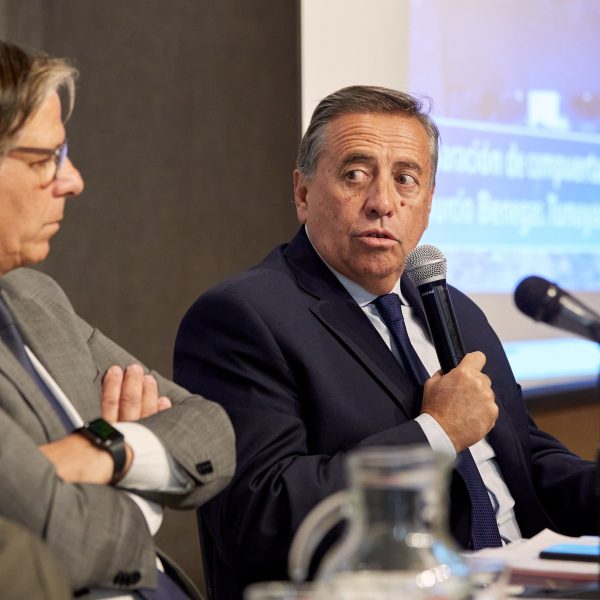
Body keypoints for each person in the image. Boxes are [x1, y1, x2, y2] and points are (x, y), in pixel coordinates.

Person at [173, 86, 598, 599]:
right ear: (303, 193)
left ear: (428, 203)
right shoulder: (243, 317)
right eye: (355, 175)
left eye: (405, 179)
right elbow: (260, 516)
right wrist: (437, 431)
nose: (382, 203)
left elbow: (523, 459)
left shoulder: (455, 307)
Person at [0, 40, 235, 598]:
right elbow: (64, 539)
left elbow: (212, 430)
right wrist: (140, 489)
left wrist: (106, 447)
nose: (72, 180)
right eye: (44, 159)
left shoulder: (35, 297)